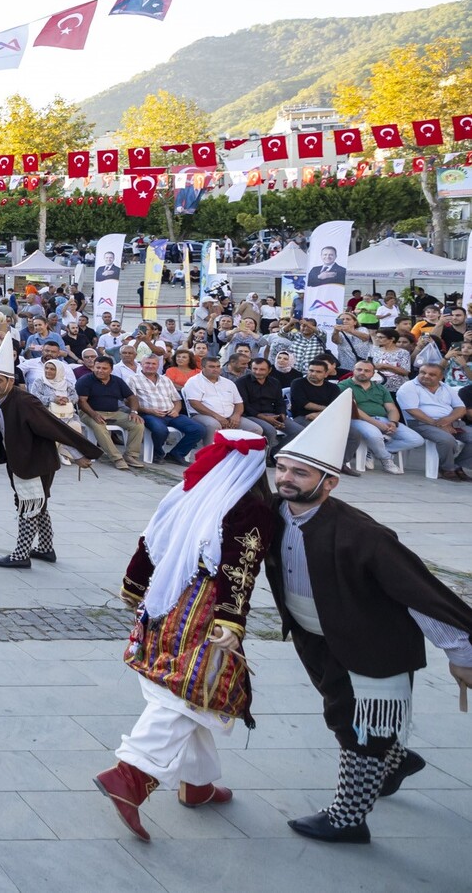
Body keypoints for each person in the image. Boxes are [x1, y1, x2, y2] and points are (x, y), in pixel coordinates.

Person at [262, 393, 472, 842]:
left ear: (330, 482)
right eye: (282, 468)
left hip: (372, 642)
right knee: (343, 713)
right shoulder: (274, 516)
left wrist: (461, 652)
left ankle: (348, 818)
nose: (286, 479)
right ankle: (396, 762)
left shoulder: (363, 535)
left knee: (359, 726)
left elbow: (418, 593)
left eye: (300, 472)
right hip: (317, 635)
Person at [95, 429, 274, 841]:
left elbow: (150, 539)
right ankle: (131, 775)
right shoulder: (249, 506)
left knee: (184, 685)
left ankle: (197, 783)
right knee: (193, 688)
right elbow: (239, 566)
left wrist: (134, 585)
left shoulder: (188, 488)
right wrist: (231, 620)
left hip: (165, 595)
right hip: (203, 607)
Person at [0, 334, 104, 569]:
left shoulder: (24, 401)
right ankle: (46, 548)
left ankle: (21, 555)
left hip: (35, 460)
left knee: (29, 506)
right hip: (20, 458)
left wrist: (78, 453)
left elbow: (53, 427)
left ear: (10, 381)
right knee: (38, 505)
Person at [344, 358, 425, 471]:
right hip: (357, 419)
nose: (362, 372)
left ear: (373, 373)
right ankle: (386, 458)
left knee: (416, 440)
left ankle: (373, 450)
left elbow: (391, 409)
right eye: (359, 369)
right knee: (375, 435)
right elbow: (355, 409)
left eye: (367, 371)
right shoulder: (344, 385)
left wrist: (393, 422)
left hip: (383, 419)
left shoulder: (380, 388)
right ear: (353, 370)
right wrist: (377, 424)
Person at [394, 360, 468, 481]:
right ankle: (447, 469)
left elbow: (461, 408)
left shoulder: (446, 387)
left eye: (432, 374)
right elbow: (413, 411)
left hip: (449, 422)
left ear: (441, 377)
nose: (426, 376)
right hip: (420, 423)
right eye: (423, 372)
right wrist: (438, 424)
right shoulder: (409, 387)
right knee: (447, 440)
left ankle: (457, 465)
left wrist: (447, 421)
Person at [129, 353, 206, 465]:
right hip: (149, 414)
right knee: (160, 430)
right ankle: (158, 454)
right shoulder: (133, 379)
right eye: (147, 363)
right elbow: (130, 401)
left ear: (158, 365)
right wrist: (149, 411)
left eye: (153, 364)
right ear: (141, 364)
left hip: (171, 413)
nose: (150, 366)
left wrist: (176, 410)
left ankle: (176, 454)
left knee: (198, 429)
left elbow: (177, 400)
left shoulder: (165, 379)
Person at [75, 355, 144, 470]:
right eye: (97, 367)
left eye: (104, 368)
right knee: (99, 426)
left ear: (111, 369)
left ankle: (131, 455)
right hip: (89, 413)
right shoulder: (85, 380)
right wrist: (94, 414)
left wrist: (134, 411)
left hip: (114, 413)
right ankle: (117, 458)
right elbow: (82, 401)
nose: (100, 370)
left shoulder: (117, 381)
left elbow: (132, 397)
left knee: (138, 424)